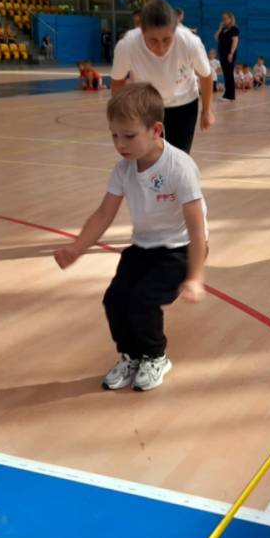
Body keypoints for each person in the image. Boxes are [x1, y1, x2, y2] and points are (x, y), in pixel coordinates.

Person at [53, 83, 207, 393]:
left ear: (156, 130)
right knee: (114, 299)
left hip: (180, 248)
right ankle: (131, 356)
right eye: (114, 136)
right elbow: (103, 215)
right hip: (144, 246)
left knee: (142, 299)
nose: (120, 144)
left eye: (129, 135)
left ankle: (155, 357)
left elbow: (196, 228)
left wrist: (195, 277)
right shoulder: (123, 170)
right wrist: (77, 248)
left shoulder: (180, 167)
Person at [109, 0, 214, 155]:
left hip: (184, 104)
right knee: (147, 156)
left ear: (175, 30)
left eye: (166, 40)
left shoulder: (190, 42)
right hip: (146, 106)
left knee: (178, 157)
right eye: (153, 40)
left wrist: (207, 110)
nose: (161, 47)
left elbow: (206, 75)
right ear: (142, 31)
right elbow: (117, 82)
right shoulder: (127, 46)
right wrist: (120, 116)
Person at [215, 11, 239, 101]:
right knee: (225, 74)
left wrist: (231, 53)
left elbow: (235, 41)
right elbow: (216, 37)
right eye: (223, 19)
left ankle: (231, 96)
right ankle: (226, 94)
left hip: (229, 55)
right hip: (223, 55)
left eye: (225, 18)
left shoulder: (234, 29)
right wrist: (220, 28)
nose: (223, 20)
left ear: (230, 18)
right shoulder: (223, 29)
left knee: (229, 74)